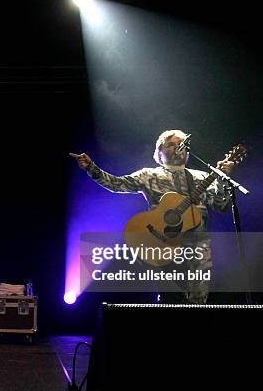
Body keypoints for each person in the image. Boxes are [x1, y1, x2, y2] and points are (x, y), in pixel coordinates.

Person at [70, 130, 234, 304]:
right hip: (163, 244)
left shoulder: (201, 177)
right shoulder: (149, 175)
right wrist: (91, 167)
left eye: (182, 144)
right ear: (159, 151)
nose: (178, 147)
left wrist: (223, 180)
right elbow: (117, 184)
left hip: (198, 247)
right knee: (171, 301)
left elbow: (221, 205)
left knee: (198, 302)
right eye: (171, 144)